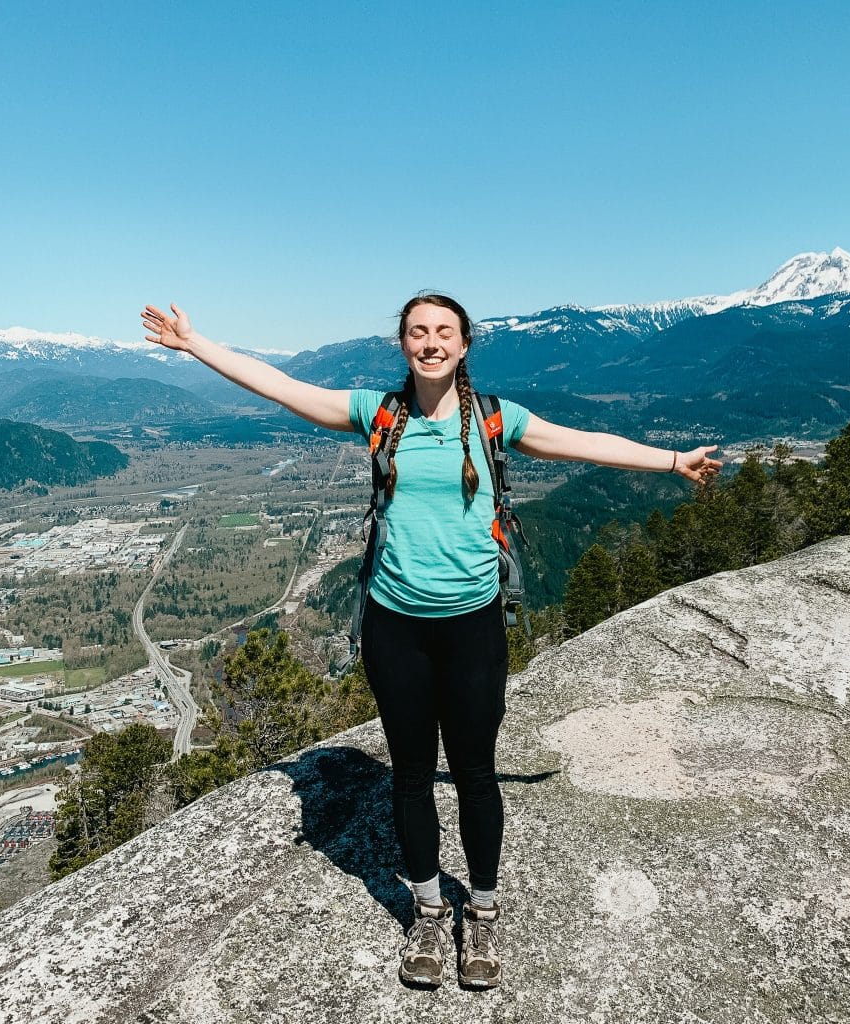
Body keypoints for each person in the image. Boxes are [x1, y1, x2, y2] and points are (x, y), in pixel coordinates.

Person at [141, 294, 722, 989]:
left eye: (444, 332)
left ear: (466, 344)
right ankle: (426, 909)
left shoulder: (496, 419)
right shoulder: (379, 414)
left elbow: (584, 441)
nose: (431, 342)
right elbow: (285, 388)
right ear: (403, 344)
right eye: (418, 332)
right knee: (412, 774)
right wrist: (195, 343)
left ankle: (481, 910)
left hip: (473, 626)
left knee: (474, 771)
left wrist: (672, 461)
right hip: (396, 626)